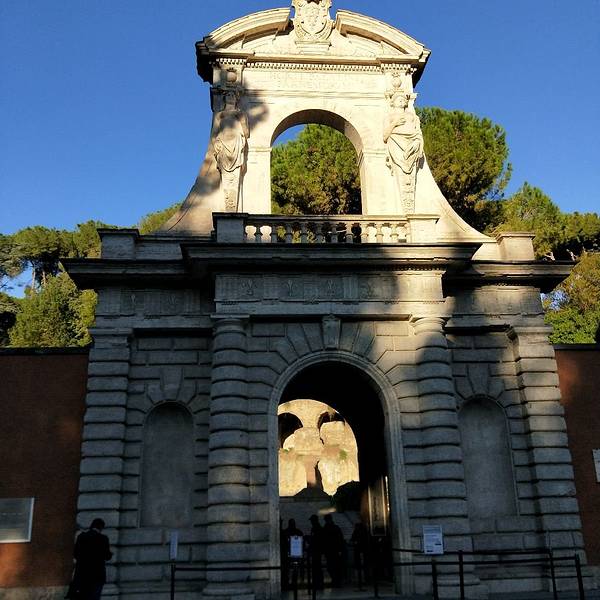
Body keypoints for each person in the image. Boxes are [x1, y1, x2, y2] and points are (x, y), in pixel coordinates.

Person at [67, 518, 113, 600]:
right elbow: (107, 556)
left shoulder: (81, 537)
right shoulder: (103, 538)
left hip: (82, 574)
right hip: (97, 575)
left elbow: (75, 554)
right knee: (94, 597)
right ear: (101, 528)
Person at [322, 514, 345, 587]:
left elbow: (339, 539)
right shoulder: (333, 528)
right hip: (333, 551)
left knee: (332, 567)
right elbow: (340, 539)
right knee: (333, 567)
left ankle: (336, 580)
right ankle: (336, 580)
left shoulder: (328, 528)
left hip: (332, 551)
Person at [307, 515, 324, 590]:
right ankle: (318, 583)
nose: (311, 522)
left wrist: (310, 541)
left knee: (316, 568)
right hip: (317, 550)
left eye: (312, 520)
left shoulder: (316, 528)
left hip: (316, 551)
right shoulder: (318, 528)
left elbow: (315, 540)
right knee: (317, 568)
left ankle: (317, 584)